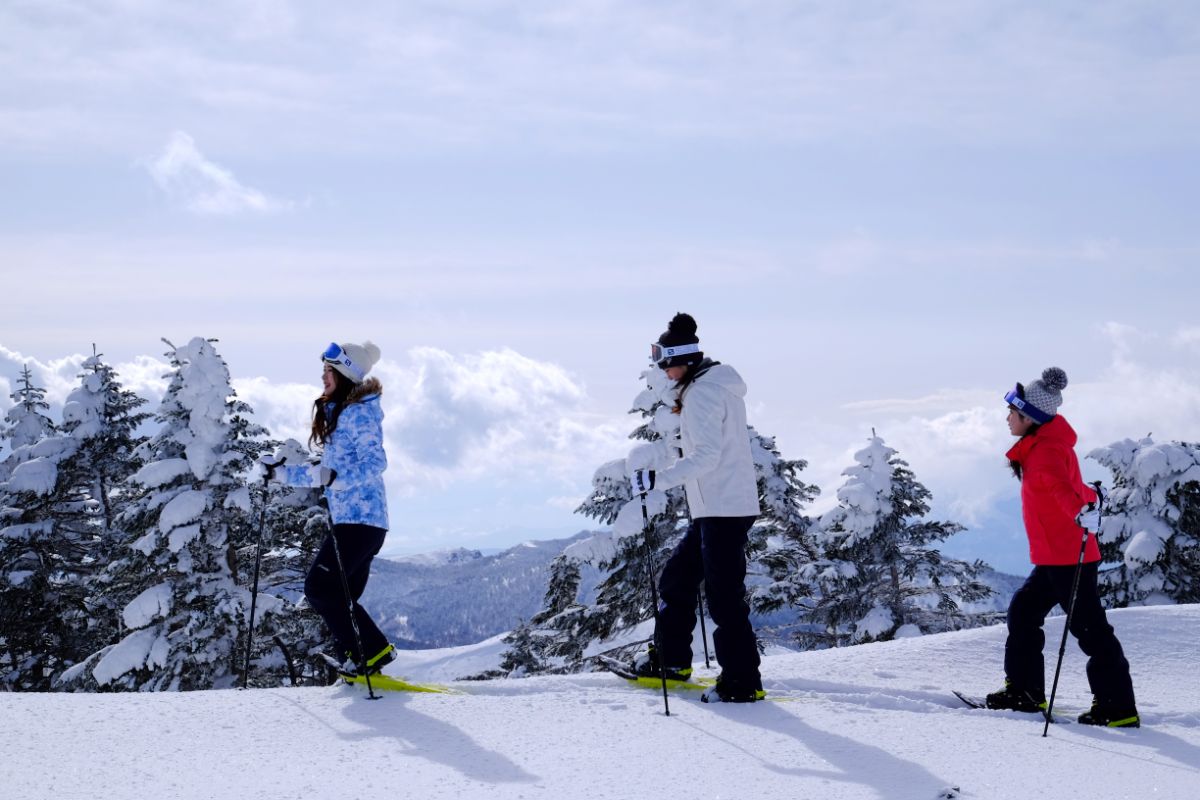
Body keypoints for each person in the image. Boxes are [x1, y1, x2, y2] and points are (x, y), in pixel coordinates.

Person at [985, 367, 1139, 727]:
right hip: (1056, 555)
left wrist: (1082, 509)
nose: (1007, 418)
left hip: (1067, 558)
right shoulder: (1046, 445)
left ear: (1031, 417)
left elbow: (1060, 489)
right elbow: (1075, 487)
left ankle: (1118, 709)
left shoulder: (1045, 452)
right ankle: (1024, 693)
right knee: (1023, 613)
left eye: (1013, 412)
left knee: (1090, 630)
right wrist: (1093, 498)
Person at [628, 313, 764, 703]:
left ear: (683, 360)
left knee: (723, 598)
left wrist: (657, 479)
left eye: (665, 363)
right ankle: (670, 661)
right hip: (715, 507)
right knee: (677, 581)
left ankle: (742, 682)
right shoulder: (707, 388)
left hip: (722, 508)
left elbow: (706, 457)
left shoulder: (704, 392)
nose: (663, 371)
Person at [261, 341, 395, 679]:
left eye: (329, 370)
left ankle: (374, 651)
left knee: (320, 590)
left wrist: (337, 477)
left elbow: (375, 462)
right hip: (359, 522)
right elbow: (324, 473)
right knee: (342, 597)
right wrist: (278, 474)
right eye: (323, 369)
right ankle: (360, 661)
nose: (323, 376)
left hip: (359, 521)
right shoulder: (343, 414)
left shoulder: (359, 413)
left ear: (346, 372)